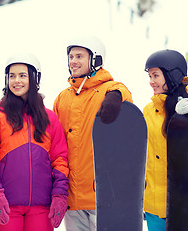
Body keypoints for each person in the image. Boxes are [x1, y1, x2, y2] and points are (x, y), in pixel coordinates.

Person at [53, 35, 133, 231]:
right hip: (72, 199)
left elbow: (126, 96)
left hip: (102, 198)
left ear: (95, 59)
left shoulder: (108, 91)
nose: (73, 61)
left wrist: (116, 93)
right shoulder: (63, 98)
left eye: (79, 56)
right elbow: (53, 143)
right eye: (71, 57)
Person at [0, 53, 69, 231]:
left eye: (22, 75)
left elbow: (60, 158)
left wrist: (60, 194)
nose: (17, 81)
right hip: (6, 205)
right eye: (12, 76)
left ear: (34, 79)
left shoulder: (49, 118)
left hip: (41, 208)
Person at [142, 49, 188, 231]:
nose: (151, 82)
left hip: (186, 206)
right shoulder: (148, 111)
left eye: (155, 75)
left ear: (172, 75)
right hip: (153, 207)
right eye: (150, 76)